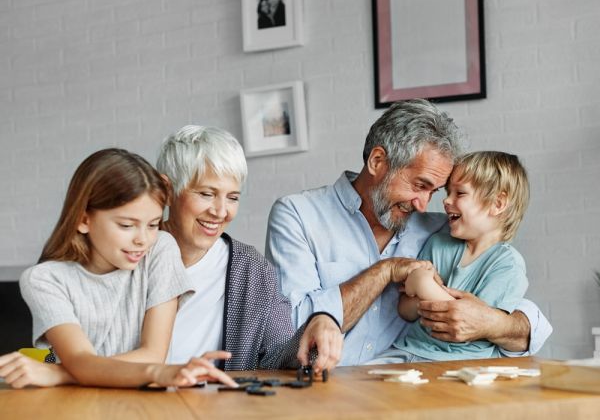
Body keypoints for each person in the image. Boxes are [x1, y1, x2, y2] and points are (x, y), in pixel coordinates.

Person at [266, 99, 552, 366]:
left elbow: (510, 306)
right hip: (328, 391)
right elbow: (291, 333)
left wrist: (496, 323)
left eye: (434, 191)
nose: (424, 204)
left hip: (413, 386)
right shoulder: (298, 215)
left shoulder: (442, 229)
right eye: (419, 185)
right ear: (378, 161)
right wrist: (387, 270)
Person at [0, 149, 236, 389]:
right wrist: (158, 373)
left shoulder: (160, 249)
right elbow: (81, 361)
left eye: (153, 224)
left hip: (143, 404)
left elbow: (153, 354)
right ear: (83, 220)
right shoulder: (44, 280)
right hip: (74, 405)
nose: (142, 239)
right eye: (126, 225)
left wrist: (58, 374)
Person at [157, 125, 342, 374]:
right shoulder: (130, 256)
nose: (221, 211)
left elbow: (278, 355)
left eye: (232, 197)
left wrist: (317, 324)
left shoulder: (251, 268)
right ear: (167, 191)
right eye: (206, 194)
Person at [373, 151, 531, 363]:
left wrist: (422, 284)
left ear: (498, 204)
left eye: (460, 193)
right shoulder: (438, 243)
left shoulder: (507, 265)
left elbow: (463, 324)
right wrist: (424, 291)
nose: (446, 200)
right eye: (448, 192)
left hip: (465, 361)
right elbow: (405, 310)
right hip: (408, 350)